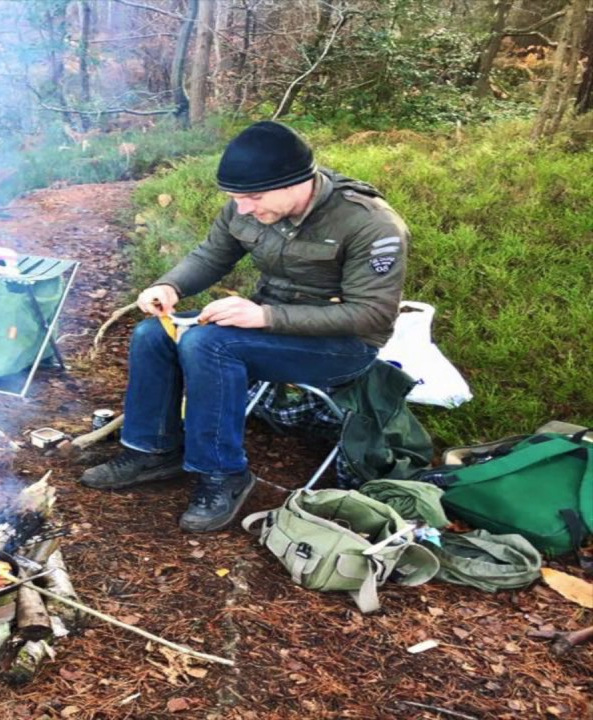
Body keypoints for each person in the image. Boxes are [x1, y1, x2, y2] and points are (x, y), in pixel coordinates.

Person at [81, 121, 409, 533]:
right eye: (236, 198)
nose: (244, 208)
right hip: (271, 326)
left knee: (209, 345)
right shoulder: (248, 205)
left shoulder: (369, 223)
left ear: (299, 182)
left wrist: (265, 316)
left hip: (341, 346)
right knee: (153, 335)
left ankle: (224, 474)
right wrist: (170, 284)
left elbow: (372, 315)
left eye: (253, 197)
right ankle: (153, 449)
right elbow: (212, 255)